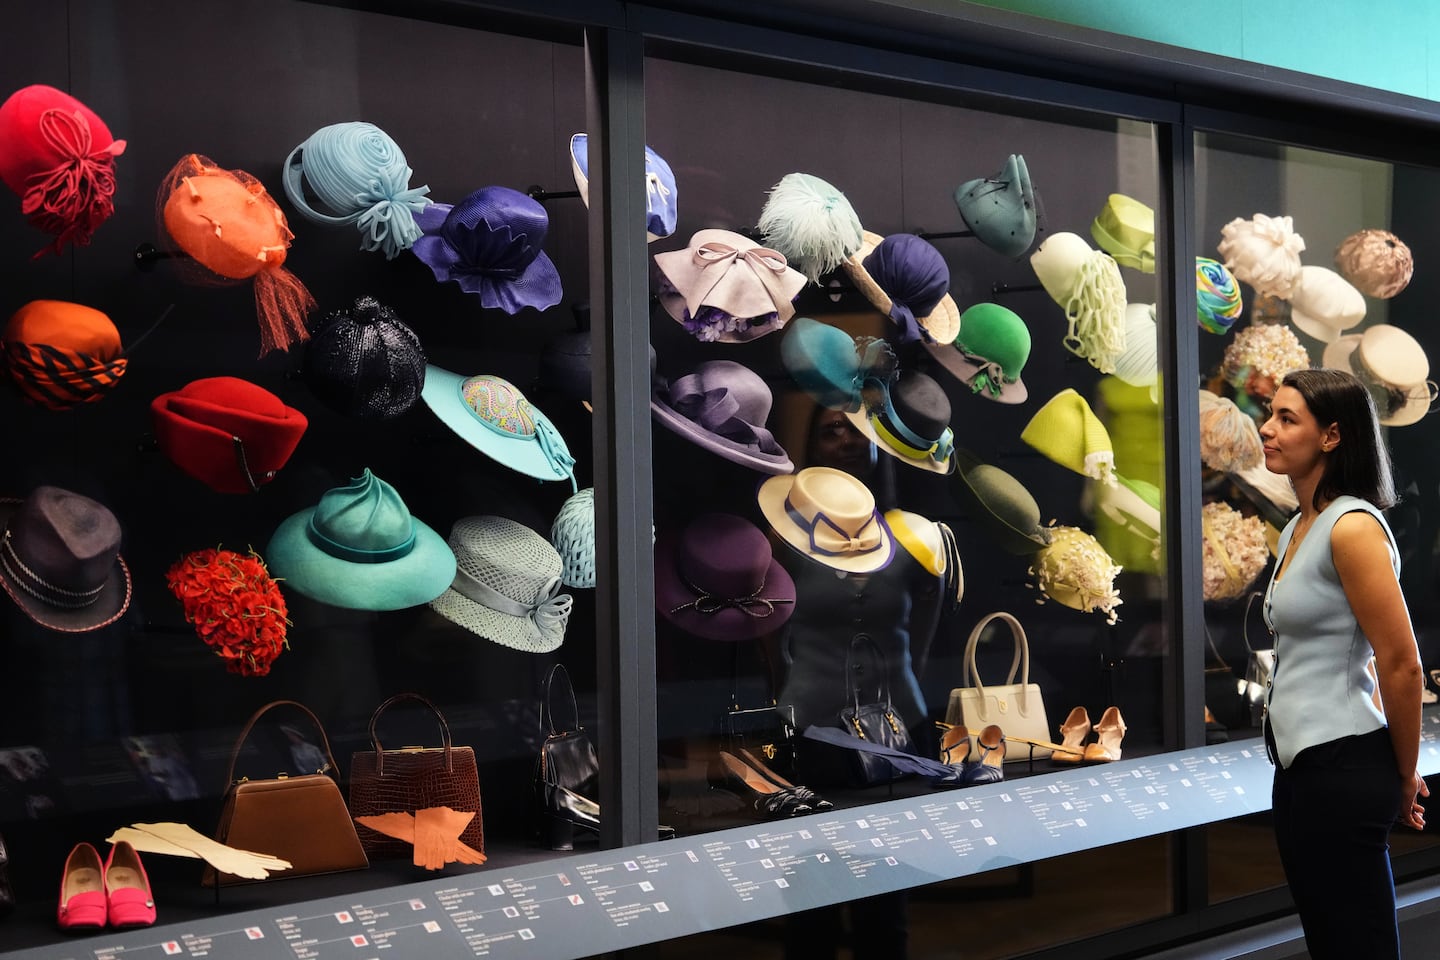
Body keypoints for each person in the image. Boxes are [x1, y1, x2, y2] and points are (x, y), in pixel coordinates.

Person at [1257, 367, 1427, 959]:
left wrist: (1403, 774)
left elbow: (1401, 663)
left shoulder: (1352, 528)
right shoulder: (1296, 528)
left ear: (1331, 436)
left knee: (1360, 947)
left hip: (1344, 765)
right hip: (1300, 769)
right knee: (1331, 944)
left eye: (1287, 419)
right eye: (1271, 414)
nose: (1267, 429)